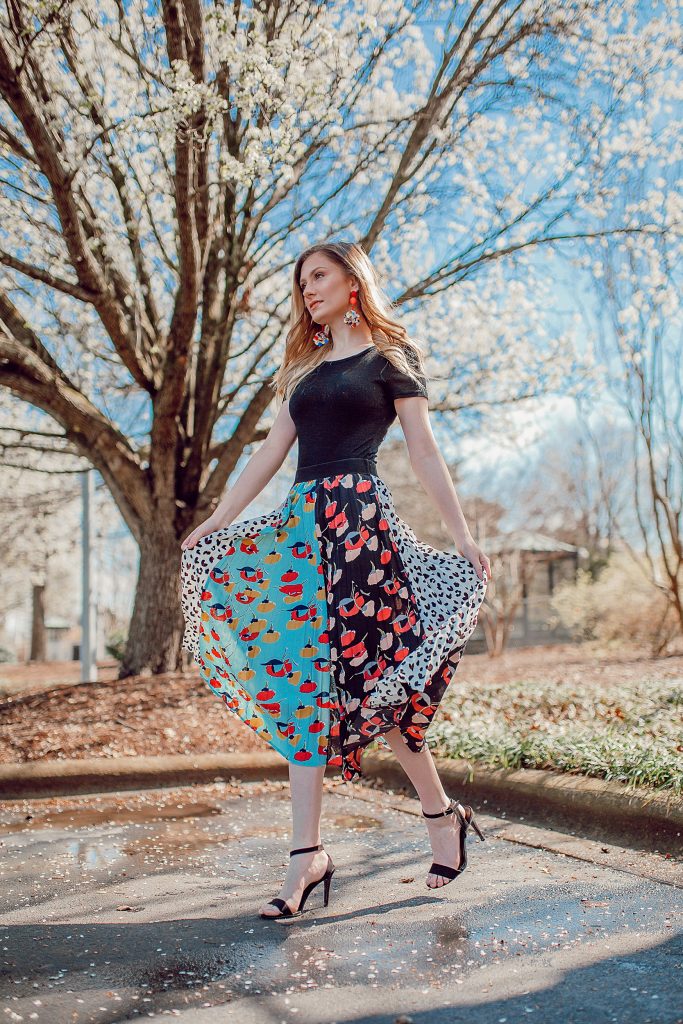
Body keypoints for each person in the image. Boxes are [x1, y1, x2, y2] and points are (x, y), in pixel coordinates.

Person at [179, 240, 491, 921]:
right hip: (300, 538)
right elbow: (268, 452)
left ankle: (441, 816)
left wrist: (462, 534)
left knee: (378, 691)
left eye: (317, 275)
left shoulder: (389, 360)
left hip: (361, 537)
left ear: (353, 280)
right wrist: (218, 518)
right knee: (306, 690)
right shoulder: (305, 369)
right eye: (301, 282)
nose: (307, 290)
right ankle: (306, 855)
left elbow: (424, 449)